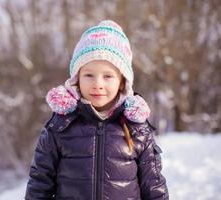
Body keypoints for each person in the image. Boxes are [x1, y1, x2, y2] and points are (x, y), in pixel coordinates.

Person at [25, 20, 169, 200]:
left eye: (107, 76)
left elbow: (154, 186)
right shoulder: (60, 125)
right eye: (89, 75)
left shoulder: (137, 129)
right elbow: (39, 184)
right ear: (77, 78)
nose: (97, 84)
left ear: (122, 82)